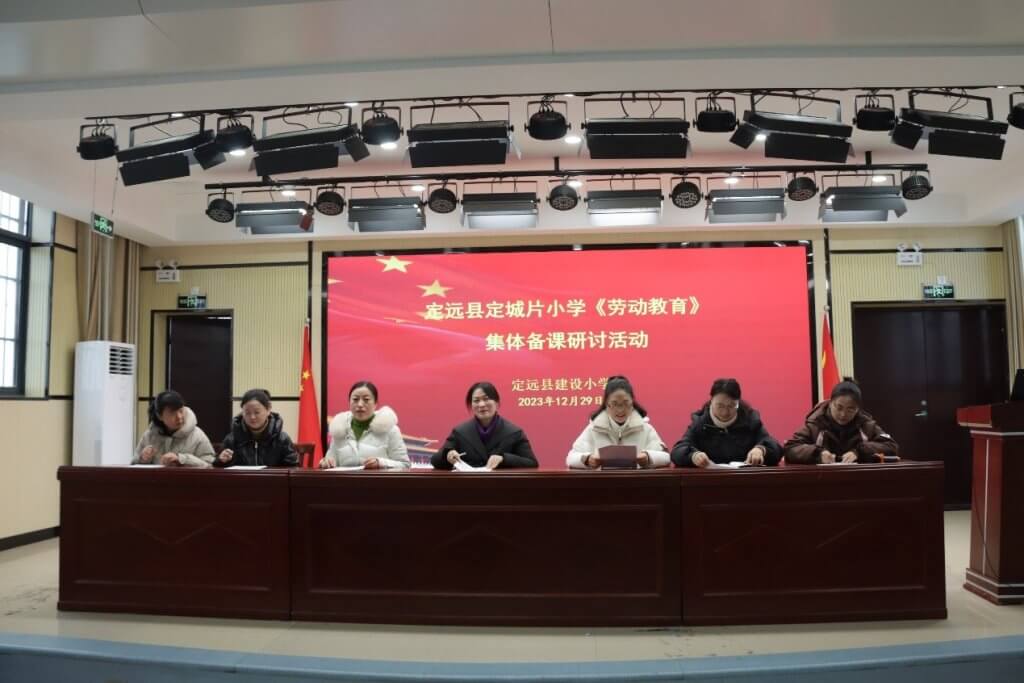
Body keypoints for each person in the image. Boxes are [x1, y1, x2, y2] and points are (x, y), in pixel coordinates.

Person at [783, 378, 899, 464]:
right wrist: (817, 454)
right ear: (830, 403)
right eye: (839, 408)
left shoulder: (866, 425)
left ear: (858, 409)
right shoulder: (816, 423)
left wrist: (859, 452)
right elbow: (790, 448)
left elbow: (891, 446)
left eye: (850, 409)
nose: (843, 414)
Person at [671, 378, 781, 467]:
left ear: (738, 403)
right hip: (710, 480)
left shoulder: (750, 420)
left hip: (744, 479)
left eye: (731, 406)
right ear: (711, 401)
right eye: (720, 406)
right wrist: (693, 456)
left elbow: (776, 448)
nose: (725, 412)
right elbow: (677, 451)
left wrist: (761, 450)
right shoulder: (700, 423)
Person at [567, 375, 670, 469]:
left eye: (625, 403)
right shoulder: (593, 429)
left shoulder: (645, 428)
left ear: (632, 403)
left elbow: (666, 457)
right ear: (607, 404)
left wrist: (648, 457)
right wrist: (588, 459)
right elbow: (571, 458)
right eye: (615, 404)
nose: (620, 410)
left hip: (637, 482)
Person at [432, 381, 538, 470]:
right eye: (476, 401)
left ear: (497, 403)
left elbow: (531, 463)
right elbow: (435, 461)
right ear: (471, 405)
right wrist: (448, 455)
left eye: (486, 399)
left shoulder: (514, 432)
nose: (481, 404)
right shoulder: (460, 432)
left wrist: (504, 458)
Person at [320, 381, 410, 469]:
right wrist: (326, 462)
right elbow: (330, 461)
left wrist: (381, 463)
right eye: (355, 399)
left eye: (366, 400)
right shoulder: (339, 429)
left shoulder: (390, 429)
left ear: (375, 403)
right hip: (345, 479)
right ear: (349, 402)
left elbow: (405, 464)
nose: (360, 404)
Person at [215, 389, 299, 467]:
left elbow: (293, 468)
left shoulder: (282, 439)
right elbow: (218, 467)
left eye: (257, 412)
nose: (252, 417)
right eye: (247, 413)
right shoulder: (231, 440)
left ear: (268, 409)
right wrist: (221, 461)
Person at [133, 390, 215, 467]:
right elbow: (133, 465)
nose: (179, 417)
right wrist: (142, 459)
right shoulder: (149, 436)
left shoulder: (197, 435)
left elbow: (211, 465)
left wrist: (182, 459)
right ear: (159, 416)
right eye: (172, 413)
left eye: (181, 411)